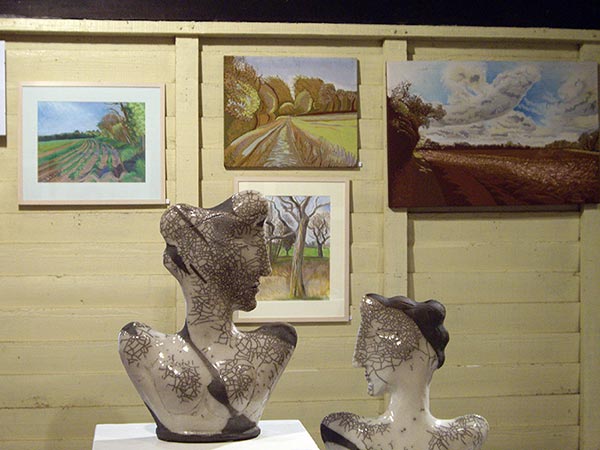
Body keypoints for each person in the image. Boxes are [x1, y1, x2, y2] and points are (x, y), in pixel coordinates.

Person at [118, 191, 297, 442]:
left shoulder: (276, 345)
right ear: (203, 260)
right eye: (246, 245)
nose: (265, 268)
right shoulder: (140, 347)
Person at [321, 293, 488, 450]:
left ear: (423, 352)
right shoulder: (341, 432)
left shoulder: (467, 433)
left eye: (380, 338)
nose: (359, 360)